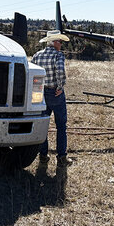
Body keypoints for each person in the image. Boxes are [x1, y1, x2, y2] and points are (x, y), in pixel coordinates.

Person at [31, 30, 73, 167]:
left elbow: (32, 73)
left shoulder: (37, 55)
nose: (61, 44)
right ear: (54, 42)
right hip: (54, 92)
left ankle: (43, 155)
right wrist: (60, 87)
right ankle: (61, 157)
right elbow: (60, 71)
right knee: (61, 126)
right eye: (59, 41)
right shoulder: (58, 55)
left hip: (39, 93)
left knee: (42, 125)